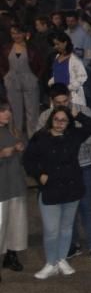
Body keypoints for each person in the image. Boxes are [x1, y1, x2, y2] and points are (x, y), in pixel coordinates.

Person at [23, 104, 91, 279]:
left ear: (68, 122)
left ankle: (62, 259)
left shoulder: (74, 136)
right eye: (56, 119)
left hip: (72, 188)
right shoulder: (40, 137)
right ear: (51, 120)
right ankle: (51, 262)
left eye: (64, 120)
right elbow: (28, 159)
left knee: (66, 228)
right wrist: (39, 175)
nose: (59, 123)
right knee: (51, 229)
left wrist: (77, 114)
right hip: (50, 189)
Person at [37, 83, 91, 264]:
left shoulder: (83, 112)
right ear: (51, 102)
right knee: (68, 210)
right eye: (58, 102)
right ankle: (72, 245)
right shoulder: (45, 117)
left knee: (87, 209)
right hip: (60, 171)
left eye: (65, 101)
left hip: (84, 167)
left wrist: (77, 136)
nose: (63, 105)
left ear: (70, 97)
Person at [0, 101, 28, 275]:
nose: (7, 113)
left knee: (15, 223)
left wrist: (20, 147)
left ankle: (11, 255)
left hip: (15, 183)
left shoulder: (14, 130)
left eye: (8, 110)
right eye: (2, 111)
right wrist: (2, 154)